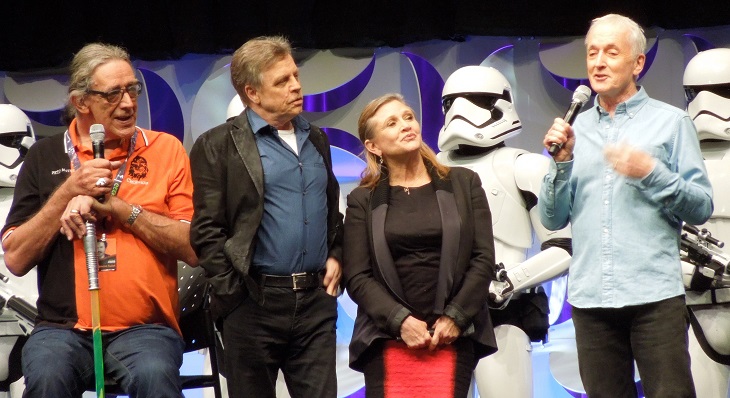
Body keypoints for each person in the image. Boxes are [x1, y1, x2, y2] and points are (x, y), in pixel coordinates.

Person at [1, 42, 197, 398]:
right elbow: (15, 258)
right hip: (62, 330)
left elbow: (193, 247)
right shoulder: (44, 157)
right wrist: (67, 191)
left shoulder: (166, 150)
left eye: (132, 89)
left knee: (155, 376)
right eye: (113, 94)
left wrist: (120, 209)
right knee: (46, 377)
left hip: (144, 330)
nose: (127, 103)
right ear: (81, 102)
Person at [539, 14, 713, 398]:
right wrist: (561, 163)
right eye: (592, 53)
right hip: (590, 301)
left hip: (654, 297)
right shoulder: (575, 130)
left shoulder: (670, 124)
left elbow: (701, 206)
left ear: (637, 63)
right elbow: (552, 218)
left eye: (611, 52)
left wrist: (650, 172)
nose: (598, 62)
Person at [189, 35, 343, 398]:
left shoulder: (316, 137)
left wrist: (337, 254)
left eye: (294, 75)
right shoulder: (217, 145)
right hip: (253, 302)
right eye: (282, 81)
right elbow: (206, 230)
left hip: (315, 303)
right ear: (252, 93)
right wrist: (235, 293)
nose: (296, 86)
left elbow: (330, 208)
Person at [342, 93, 498, 397]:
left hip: (450, 335)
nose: (405, 125)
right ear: (373, 146)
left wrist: (456, 316)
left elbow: (483, 259)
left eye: (408, 117)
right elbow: (358, 277)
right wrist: (400, 322)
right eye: (392, 123)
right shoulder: (363, 199)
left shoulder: (464, 183)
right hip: (387, 337)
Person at [436, 65, 572, 398]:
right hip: (439, 315)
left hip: (502, 314)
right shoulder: (431, 168)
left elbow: (563, 247)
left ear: (501, 105)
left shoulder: (524, 166)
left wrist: (510, 281)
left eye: (474, 101)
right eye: (451, 103)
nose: (460, 112)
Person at [681, 47, 730, 398]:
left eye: (722, 91)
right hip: (694, 304)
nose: (705, 104)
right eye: (695, 94)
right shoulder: (670, 159)